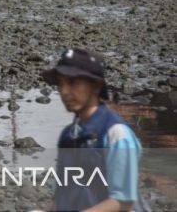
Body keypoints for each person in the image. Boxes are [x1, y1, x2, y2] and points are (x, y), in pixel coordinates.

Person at [42, 48, 148, 212]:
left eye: (73, 83)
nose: (64, 91)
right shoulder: (68, 136)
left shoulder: (116, 134)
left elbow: (123, 201)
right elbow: (62, 195)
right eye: (60, 84)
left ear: (97, 86)